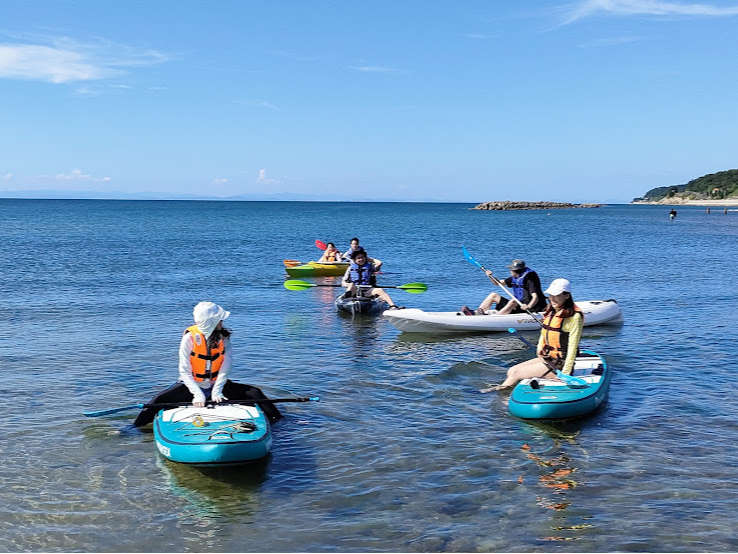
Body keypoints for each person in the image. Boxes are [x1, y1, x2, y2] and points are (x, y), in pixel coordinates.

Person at [133, 301, 282, 427]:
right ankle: (133, 429)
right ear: (210, 322)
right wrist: (197, 395)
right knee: (157, 401)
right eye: (219, 320)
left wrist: (217, 391)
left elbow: (225, 367)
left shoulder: (224, 339)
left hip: (217, 385)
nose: (222, 322)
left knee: (255, 393)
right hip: (192, 386)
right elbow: (184, 370)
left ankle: (281, 423)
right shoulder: (189, 338)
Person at [491, 278, 583, 390]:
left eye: (556, 295)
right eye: (550, 295)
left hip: (560, 364)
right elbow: (544, 334)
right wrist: (540, 349)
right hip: (548, 358)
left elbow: (573, 346)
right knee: (511, 370)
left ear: (567, 295)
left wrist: (566, 372)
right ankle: (505, 391)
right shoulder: (553, 311)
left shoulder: (574, 316)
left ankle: (497, 395)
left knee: (516, 374)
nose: (552, 298)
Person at [461, 259, 547, 316]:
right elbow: (498, 283)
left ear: (515, 270)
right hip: (517, 306)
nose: (510, 271)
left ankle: (496, 319)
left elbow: (535, 297)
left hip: (529, 308)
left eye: (511, 269)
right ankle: (476, 313)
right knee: (493, 295)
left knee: (513, 301)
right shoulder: (515, 278)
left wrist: (528, 306)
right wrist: (490, 276)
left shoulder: (530, 279)